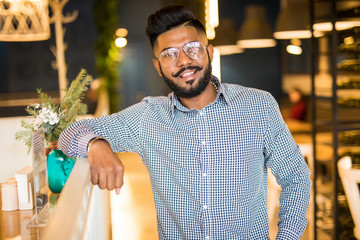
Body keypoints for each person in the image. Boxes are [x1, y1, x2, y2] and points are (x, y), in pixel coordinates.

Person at [59, 4, 311, 239]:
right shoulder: (148, 117)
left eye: (192, 48)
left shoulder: (258, 105)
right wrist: (95, 144)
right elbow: (68, 134)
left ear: (209, 52)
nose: (183, 61)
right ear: (158, 67)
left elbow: (296, 178)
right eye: (169, 54)